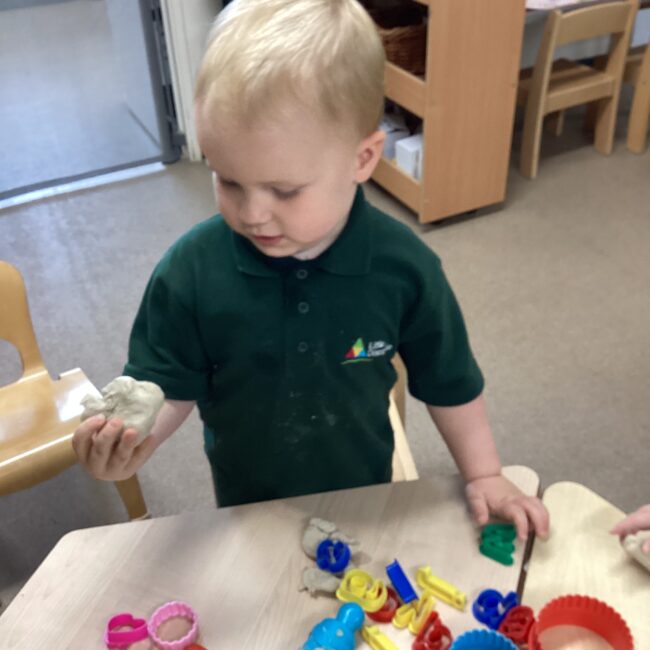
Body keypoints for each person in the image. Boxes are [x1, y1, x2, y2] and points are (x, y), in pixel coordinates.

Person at [72, 0, 549, 540]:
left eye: (284, 190)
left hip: (364, 496)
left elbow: (451, 380)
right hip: (246, 507)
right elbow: (169, 386)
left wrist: (485, 472)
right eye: (228, 179)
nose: (251, 214)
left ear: (363, 160)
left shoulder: (404, 268)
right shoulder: (190, 273)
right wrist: (136, 440)